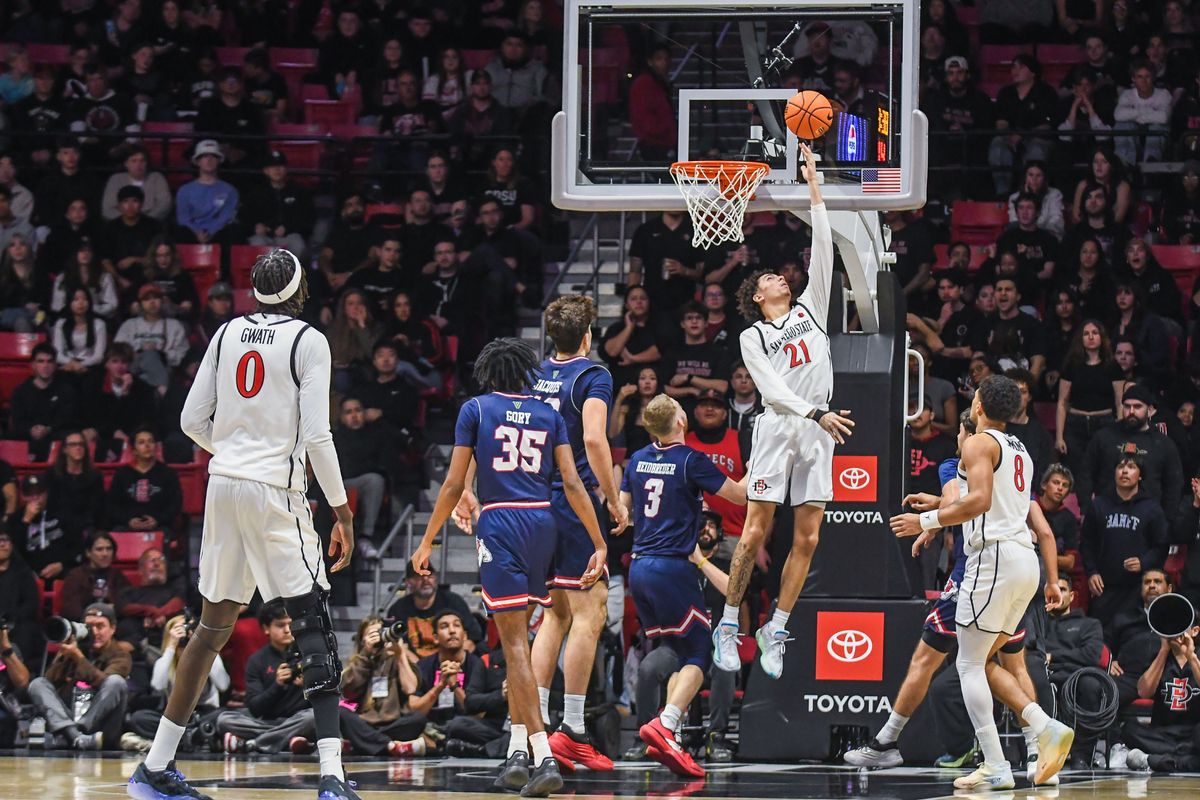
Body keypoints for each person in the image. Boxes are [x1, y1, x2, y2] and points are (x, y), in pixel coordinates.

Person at [127, 248, 358, 800]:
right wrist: (341, 509)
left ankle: (155, 769)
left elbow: (189, 420)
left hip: (224, 483)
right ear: (302, 293)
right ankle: (331, 778)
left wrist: (230, 452)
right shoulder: (310, 341)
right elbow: (318, 436)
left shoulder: (228, 332)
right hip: (273, 491)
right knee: (313, 628)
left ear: (254, 292)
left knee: (209, 630)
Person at [410, 338, 605, 797]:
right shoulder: (549, 414)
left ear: (487, 373)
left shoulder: (475, 409)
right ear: (525, 373)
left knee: (514, 646)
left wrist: (426, 541)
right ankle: (517, 748)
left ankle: (542, 754)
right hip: (544, 521)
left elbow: (456, 482)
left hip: (500, 523)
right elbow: (573, 483)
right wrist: (597, 542)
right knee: (525, 639)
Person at [848, 411, 1057, 778]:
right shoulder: (1014, 460)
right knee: (1009, 662)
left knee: (941, 661)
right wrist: (1053, 579)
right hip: (1022, 567)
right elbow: (1042, 530)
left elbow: (961, 503)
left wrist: (927, 521)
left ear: (968, 434)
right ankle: (1036, 752)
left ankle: (891, 742)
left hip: (977, 575)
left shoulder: (958, 462)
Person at [890, 376, 1073, 789]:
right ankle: (1033, 736)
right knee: (990, 661)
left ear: (978, 406)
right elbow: (999, 503)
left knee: (970, 664)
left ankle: (1006, 755)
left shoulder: (977, 442)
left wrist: (925, 520)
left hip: (994, 558)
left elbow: (980, 501)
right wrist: (940, 504)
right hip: (1024, 562)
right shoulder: (1019, 448)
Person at [713, 144, 854, 680]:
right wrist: (815, 413)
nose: (780, 276)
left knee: (809, 538)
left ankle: (777, 626)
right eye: (770, 277)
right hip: (781, 427)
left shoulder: (812, 307)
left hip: (817, 429)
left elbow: (824, 245)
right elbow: (770, 389)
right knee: (753, 532)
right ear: (759, 294)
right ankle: (729, 623)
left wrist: (815, 183)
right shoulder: (754, 334)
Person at [515, 296, 626, 771]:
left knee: (555, 616)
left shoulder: (533, 374)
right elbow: (596, 439)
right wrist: (612, 498)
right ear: (587, 337)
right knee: (590, 610)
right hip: (569, 500)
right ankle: (573, 728)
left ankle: (533, 728)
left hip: (530, 502)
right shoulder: (593, 375)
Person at [621, 394, 747, 777]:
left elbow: (623, 513)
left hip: (639, 567)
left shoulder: (638, 458)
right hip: (672, 565)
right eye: (681, 409)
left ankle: (668, 733)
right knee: (700, 652)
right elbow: (740, 495)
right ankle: (667, 722)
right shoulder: (690, 459)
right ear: (679, 422)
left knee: (674, 648)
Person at [214, 602, 316, 755]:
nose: (288, 630)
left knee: (313, 717)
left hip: (299, 718)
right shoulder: (257, 660)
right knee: (224, 720)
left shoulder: (309, 655)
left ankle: (253, 744)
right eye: (280, 625)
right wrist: (278, 685)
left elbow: (325, 699)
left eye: (291, 624)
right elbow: (255, 708)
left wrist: (307, 686)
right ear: (266, 628)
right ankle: (289, 740)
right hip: (268, 720)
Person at [123, 612, 232, 754]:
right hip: (175, 716)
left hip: (204, 713)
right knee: (139, 718)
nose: (184, 632)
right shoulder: (165, 661)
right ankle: (194, 738)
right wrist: (171, 646)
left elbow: (223, 685)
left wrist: (205, 644)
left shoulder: (208, 656)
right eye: (179, 629)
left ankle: (179, 741)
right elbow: (158, 685)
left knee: (223, 716)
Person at [28, 603, 131, 750]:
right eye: (89, 626)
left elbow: (105, 684)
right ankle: (76, 736)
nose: (94, 632)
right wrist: (63, 656)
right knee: (38, 684)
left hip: (101, 729)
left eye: (100, 626)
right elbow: (49, 682)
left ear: (113, 628)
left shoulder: (121, 655)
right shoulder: (73, 649)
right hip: (70, 719)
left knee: (116, 682)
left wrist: (78, 657)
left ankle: (76, 734)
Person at [1081, 457, 1169, 626]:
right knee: (1102, 638)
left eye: (1131, 467)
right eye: (1120, 467)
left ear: (1140, 475)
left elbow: (1162, 546)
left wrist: (1144, 562)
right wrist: (1091, 572)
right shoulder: (1099, 505)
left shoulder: (1152, 508)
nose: (1125, 471)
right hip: (1104, 588)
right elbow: (1086, 543)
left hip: (1136, 589)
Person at [1075, 384, 1183, 522]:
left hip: (1148, 520)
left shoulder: (1164, 444)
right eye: (1127, 406)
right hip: (1107, 516)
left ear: (1149, 410)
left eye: (1137, 407)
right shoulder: (1104, 437)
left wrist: (1166, 520)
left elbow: (1174, 484)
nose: (1131, 411)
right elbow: (1086, 474)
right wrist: (1085, 509)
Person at [336, 617, 430, 758]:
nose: (378, 637)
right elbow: (348, 692)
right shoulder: (360, 662)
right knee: (341, 713)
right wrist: (365, 655)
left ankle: (361, 744)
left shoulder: (396, 659)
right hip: (365, 723)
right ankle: (391, 746)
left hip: (395, 723)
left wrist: (400, 655)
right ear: (362, 640)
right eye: (372, 634)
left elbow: (410, 688)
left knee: (418, 719)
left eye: (381, 632)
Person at [1042, 576, 1106, 767]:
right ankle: (1034, 754)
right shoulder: (1038, 624)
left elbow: (1091, 655)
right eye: (1051, 590)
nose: (1056, 594)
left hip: (1077, 675)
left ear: (1071, 595)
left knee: (1090, 685)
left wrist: (1053, 656)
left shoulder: (1090, 624)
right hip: (1045, 675)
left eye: (1061, 589)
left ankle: (1082, 755)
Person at [1123, 616, 1200, 771]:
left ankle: (1154, 760)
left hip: (1194, 732)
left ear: (1194, 631)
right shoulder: (1158, 658)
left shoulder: (1196, 657)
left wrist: (1191, 656)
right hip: (1162, 732)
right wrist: (1164, 650)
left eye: (1181, 626)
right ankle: (1183, 760)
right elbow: (1144, 692)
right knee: (1129, 730)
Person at [1056, 320, 1124, 477]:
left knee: (1103, 472)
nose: (1091, 337)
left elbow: (1120, 403)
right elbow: (1062, 403)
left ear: (1102, 337)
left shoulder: (1113, 366)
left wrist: (1120, 433)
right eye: (1086, 334)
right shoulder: (1071, 365)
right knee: (1075, 472)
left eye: (1095, 333)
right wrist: (1059, 437)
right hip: (1075, 424)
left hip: (1104, 423)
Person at [384, 563, 486, 659]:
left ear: (435, 578)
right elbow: (397, 646)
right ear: (408, 582)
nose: (425, 579)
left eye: (430, 575)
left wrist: (441, 666)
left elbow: (471, 642)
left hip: (451, 663)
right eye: (419, 576)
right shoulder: (398, 609)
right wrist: (422, 669)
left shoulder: (453, 602)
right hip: (413, 667)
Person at [107, 427, 183, 543]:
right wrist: (129, 520)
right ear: (133, 450)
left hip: (159, 526)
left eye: (150, 441)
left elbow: (175, 504)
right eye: (141, 442)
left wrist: (157, 520)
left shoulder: (168, 474)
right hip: (127, 526)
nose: (147, 445)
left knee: (166, 535)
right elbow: (112, 505)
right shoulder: (122, 474)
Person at [10, 343, 80, 461]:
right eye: (41, 361)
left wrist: (48, 429)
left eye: (49, 361)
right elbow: (18, 421)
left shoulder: (66, 390)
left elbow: (67, 419)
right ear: (33, 365)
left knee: (73, 436)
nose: (45, 365)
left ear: (55, 365)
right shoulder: (20, 391)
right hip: (28, 437)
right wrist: (31, 430)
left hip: (55, 436)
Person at [114, 284, 188, 390]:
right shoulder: (129, 325)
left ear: (162, 301)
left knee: (148, 368)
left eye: (156, 298)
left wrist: (159, 353)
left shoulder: (174, 325)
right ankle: (162, 390)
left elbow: (181, 353)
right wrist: (140, 351)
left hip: (164, 366)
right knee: (149, 356)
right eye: (147, 299)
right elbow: (118, 351)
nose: (152, 302)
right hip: (133, 365)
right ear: (140, 303)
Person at [8, 473, 79, 582]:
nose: (35, 498)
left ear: (46, 493)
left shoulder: (63, 514)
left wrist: (61, 565)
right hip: (27, 577)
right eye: (30, 494)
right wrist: (25, 521)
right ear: (22, 496)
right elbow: (12, 552)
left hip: (61, 573)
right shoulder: (15, 519)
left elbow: (77, 547)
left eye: (39, 493)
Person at [173, 139, 239, 246]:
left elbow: (226, 216)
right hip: (191, 235)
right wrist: (196, 232)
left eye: (213, 156)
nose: (209, 160)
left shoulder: (230, 190)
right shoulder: (184, 190)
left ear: (218, 161)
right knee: (180, 232)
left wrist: (210, 232)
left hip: (219, 234)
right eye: (204, 156)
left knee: (232, 231)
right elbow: (183, 218)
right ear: (198, 161)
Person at [60, 532, 131, 622]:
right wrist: (94, 615)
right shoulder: (76, 576)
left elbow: (128, 603)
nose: (105, 554)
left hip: (113, 624)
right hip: (83, 624)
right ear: (88, 553)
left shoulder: (117, 575)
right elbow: (71, 610)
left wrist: (115, 608)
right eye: (99, 549)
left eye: (109, 549)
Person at [1039, 464, 1080, 574]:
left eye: (1065, 485)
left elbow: (1070, 562)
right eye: (1056, 482)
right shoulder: (1029, 508)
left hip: (1054, 575)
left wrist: (1040, 557)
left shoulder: (1069, 519)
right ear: (1044, 485)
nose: (1060, 488)